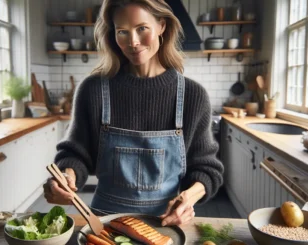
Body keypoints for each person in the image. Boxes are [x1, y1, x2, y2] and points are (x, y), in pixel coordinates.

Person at [43, 0, 223, 226]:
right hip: (103, 223)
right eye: (122, 32)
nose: (133, 42)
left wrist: (189, 197)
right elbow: (74, 154)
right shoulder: (93, 90)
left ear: (162, 26)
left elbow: (206, 169)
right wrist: (66, 177)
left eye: (142, 28)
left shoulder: (193, 95)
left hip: (166, 224)